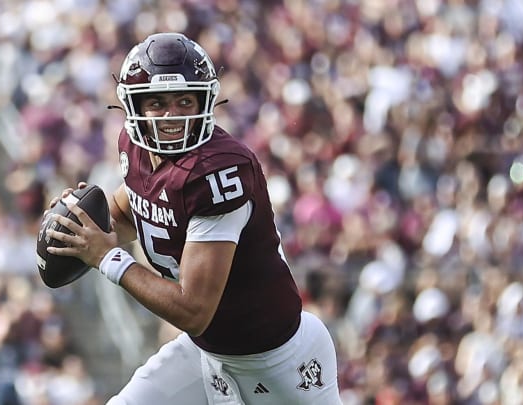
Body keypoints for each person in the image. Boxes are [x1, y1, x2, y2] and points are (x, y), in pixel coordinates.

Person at [45, 32, 343, 405]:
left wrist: (107, 257)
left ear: (205, 101)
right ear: (134, 106)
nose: (172, 116)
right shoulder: (135, 149)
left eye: (185, 101)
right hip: (209, 356)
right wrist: (84, 227)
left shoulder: (217, 172)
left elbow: (194, 310)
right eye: (157, 102)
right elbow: (127, 213)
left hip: (281, 365)